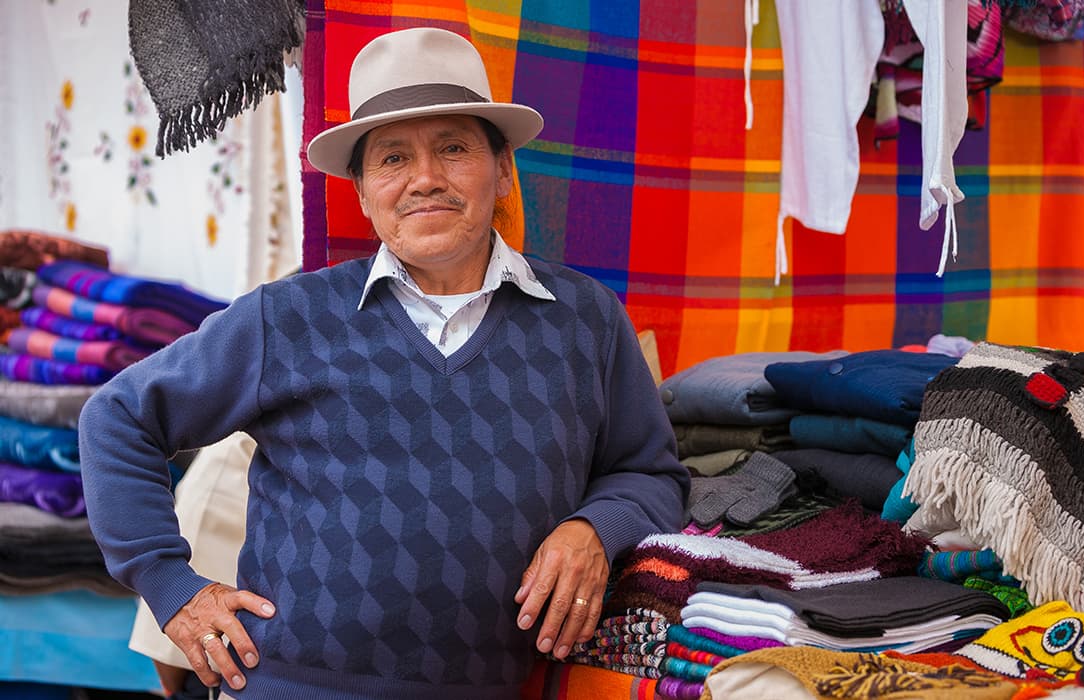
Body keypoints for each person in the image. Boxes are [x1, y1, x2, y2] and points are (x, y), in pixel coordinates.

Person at [79, 26, 689, 700]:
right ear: (365, 194)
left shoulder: (584, 319)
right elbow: (117, 417)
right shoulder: (287, 318)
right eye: (393, 158)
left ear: (504, 171)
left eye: (453, 149)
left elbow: (650, 471)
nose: (425, 179)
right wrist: (172, 587)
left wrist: (593, 529)